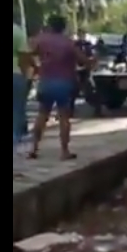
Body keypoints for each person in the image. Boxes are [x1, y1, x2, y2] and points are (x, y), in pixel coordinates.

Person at [29, 14, 90, 160]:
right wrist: (91, 62)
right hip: (64, 82)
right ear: (63, 28)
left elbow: (26, 52)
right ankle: (64, 151)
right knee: (64, 117)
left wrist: (36, 67)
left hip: (46, 81)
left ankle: (34, 148)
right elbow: (83, 61)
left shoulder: (40, 40)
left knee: (42, 115)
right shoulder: (68, 43)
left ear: (49, 26)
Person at [71, 28, 99, 116]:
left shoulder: (88, 45)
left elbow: (93, 56)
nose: (81, 36)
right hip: (76, 70)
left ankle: (97, 109)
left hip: (86, 70)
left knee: (89, 91)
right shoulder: (74, 45)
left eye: (83, 34)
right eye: (80, 34)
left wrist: (92, 64)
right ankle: (69, 111)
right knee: (73, 92)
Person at [13, 21, 32, 152]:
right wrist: (26, 76)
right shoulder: (17, 31)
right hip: (16, 74)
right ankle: (16, 139)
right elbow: (24, 58)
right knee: (18, 109)